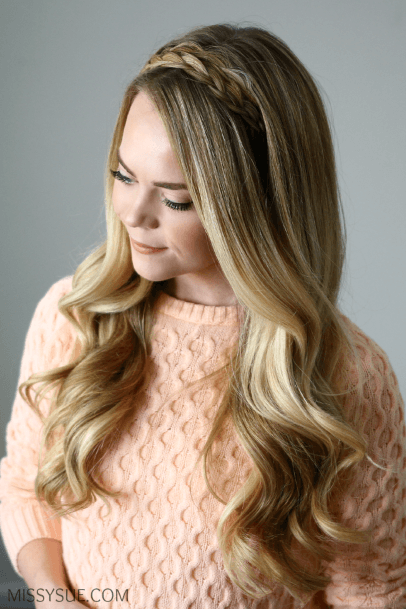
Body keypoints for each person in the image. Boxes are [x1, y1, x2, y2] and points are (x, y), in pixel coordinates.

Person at [0, 23, 405, 609]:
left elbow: (373, 594)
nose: (133, 213)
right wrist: (54, 598)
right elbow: (23, 486)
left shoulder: (348, 376)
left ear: (256, 205)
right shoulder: (75, 316)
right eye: (122, 174)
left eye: (176, 198)